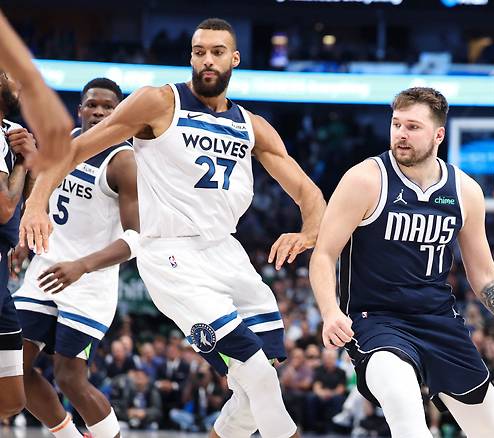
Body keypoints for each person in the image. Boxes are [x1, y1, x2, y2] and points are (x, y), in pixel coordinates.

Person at [20, 18, 325, 438]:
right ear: (191, 57)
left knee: (259, 380)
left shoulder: (250, 125)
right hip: (171, 254)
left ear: (234, 59)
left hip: (226, 252)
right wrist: (36, 203)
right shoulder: (159, 103)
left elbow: (308, 191)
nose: (207, 60)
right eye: (199, 52)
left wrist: (310, 231)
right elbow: (76, 149)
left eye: (217, 52)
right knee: (256, 374)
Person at [309, 87, 494, 437]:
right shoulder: (365, 180)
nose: (401, 134)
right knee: (409, 421)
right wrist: (330, 311)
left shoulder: (464, 191)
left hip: (440, 321)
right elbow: (323, 254)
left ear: (438, 134)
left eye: (413, 126)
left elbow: (485, 276)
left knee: (490, 429)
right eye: (396, 124)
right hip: (377, 322)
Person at [13, 77, 138, 438]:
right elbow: (43, 196)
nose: (99, 112)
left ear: (120, 112)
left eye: (108, 107)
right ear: (80, 109)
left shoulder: (122, 162)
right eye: (92, 105)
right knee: (11, 367)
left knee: (69, 378)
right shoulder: (63, 145)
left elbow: (135, 241)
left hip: (89, 282)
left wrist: (81, 266)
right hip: (45, 269)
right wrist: (27, 236)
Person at [0, 10, 72, 172]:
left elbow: (32, 196)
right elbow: (6, 198)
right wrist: (34, 86)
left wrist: (30, 158)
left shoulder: (14, 130)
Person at [0, 69, 33, 420]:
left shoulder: (11, 133)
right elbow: (5, 208)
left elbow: (33, 198)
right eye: (10, 77)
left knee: (11, 401)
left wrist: (31, 157)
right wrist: (22, 164)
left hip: (3, 269)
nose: (19, 83)